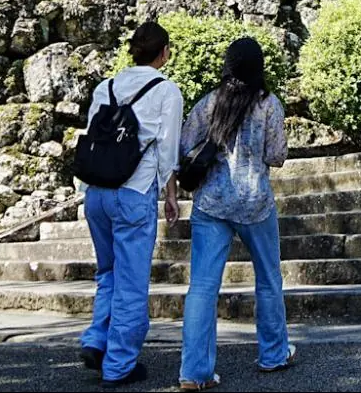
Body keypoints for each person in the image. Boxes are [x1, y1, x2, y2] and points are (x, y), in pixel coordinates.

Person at [177, 36, 293, 390]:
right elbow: (277, 155)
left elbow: (183, 145)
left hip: (211, 204)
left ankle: (194, 373)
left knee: (202, 287)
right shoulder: (268, 105)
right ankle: (273, 355)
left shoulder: (210, 103)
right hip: (255, 203)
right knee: (269, 279)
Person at [78, 20, 183, 387]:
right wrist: (170, 194)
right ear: (163, 51)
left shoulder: (105, 87)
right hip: (133, 194)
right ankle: (119, 364)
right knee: (131, 281)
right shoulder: (166, 91)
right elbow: (168, 150)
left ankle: (96, 339)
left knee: (106, 271)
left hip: (96, 194)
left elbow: (92, 136)